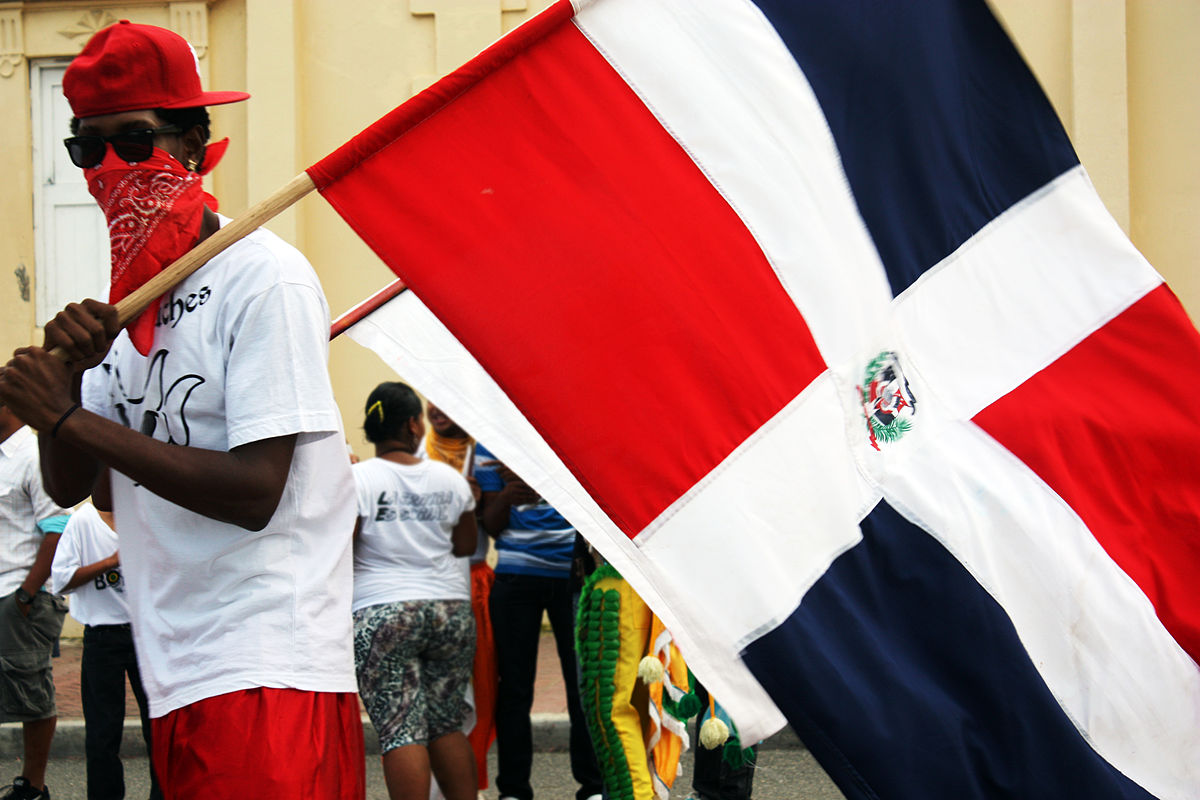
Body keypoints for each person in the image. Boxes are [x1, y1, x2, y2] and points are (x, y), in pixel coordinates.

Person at [0, 20, 363, 798]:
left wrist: (66, 418)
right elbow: (81, 488)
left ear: (194, 142)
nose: (111, 167)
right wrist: (69, 388)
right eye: (87, 148)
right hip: (174, 661)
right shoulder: (124, 308)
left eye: (135, 141)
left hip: (267, 659)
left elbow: (257, 492)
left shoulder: (262, 277)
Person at [352, 382, 479, 800]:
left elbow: (342, 546)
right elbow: (465, 545)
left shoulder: (357, 480)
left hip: (383, 611)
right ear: (412, 424)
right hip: (449, 610)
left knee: (400, 728)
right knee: (445, 723)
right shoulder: (449, 479)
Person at [475, 447, 603, 800]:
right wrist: (507, 494)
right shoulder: (490, 444)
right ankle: (514, 790)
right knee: (514, 688)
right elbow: (491, 524)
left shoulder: (568, 436)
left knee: (581, 684)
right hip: (516, 574)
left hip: (573, 573)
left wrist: (545, 478)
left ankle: (593, 787)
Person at [49, 502, 161, 800]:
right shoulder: (83, 521)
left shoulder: (147, 513)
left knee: (159, 729)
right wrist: (110, 562)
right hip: (102, 637)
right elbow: (61, 580)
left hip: (147, 636)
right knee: (102, 733)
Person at [421, 402, 496, 796]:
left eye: (445, 400)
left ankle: (471, 783)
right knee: (431, 694)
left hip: (475, 586)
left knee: (479, 692)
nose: (437, 409)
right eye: (430, 400)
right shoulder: (416, 452)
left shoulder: (483, 455)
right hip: (428, 586)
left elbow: (499, 525)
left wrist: (481, 504)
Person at [0, 406, 70, 800]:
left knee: (31, 694)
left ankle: (33, 787)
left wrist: (25, 595)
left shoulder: (33, 455)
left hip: (19, 597)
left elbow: (56, 529)